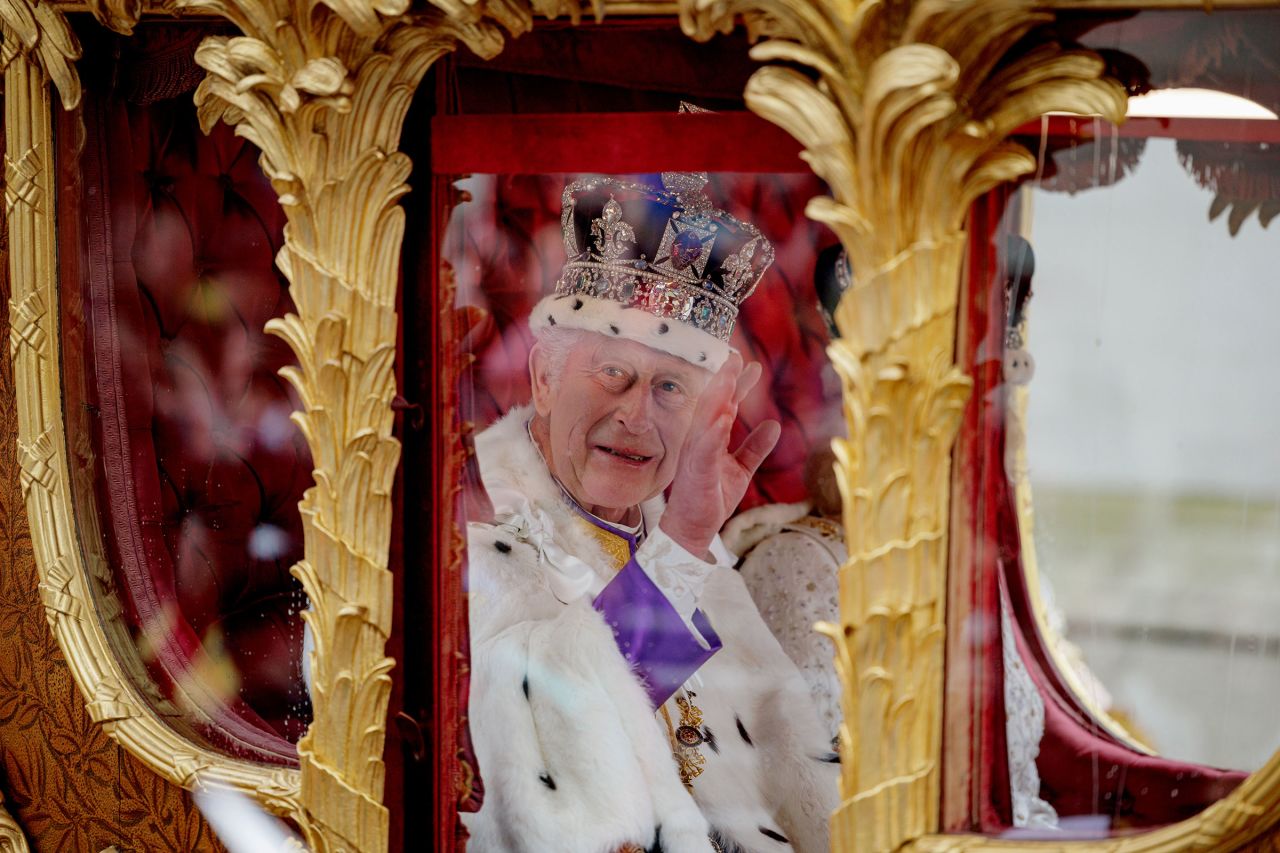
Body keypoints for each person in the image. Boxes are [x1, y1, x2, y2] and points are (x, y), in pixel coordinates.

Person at [462, 173, 838, 852]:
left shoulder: (684, 540)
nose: (637, 415)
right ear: (545, 379)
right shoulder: (481, 526)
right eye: (613, 374)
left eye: (670, 387)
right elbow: (547, 770)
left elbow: (797, 783)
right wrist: (684, 543)